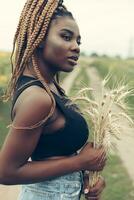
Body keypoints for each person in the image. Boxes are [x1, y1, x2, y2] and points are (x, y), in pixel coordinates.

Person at [0, 0, 106, 199]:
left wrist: (85, 176)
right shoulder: (38, 99)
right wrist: (81, 162)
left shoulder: (50, 87)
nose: (75, 47)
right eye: (66, 37)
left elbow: (52, 151)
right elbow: (6, 171)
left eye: (78, 41)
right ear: (38, 38)